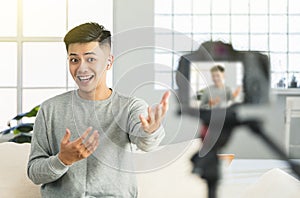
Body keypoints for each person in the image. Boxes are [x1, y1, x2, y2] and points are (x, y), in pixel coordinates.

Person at [27, 22, 170, 197]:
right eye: (74, 60)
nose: (81, 68)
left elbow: (145, 142)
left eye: (90, 59)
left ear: (109, 62)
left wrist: (151, 130)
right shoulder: (50, 109)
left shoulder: (130, 107)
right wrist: (62, 160)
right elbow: (34, 173)